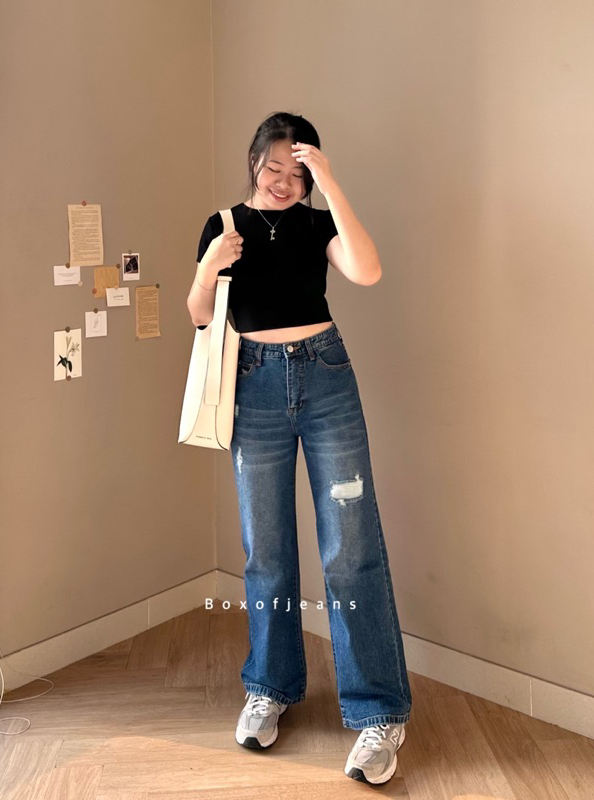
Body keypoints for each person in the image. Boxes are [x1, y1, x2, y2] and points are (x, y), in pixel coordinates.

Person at [187, 112, 412, 785]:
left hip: (325, 376)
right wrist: (210, 265)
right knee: (267, 550)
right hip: (252, 387)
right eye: (274, 167)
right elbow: (201, 315)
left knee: (351, 548)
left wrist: (331, 184)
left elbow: (367, 271)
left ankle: (379, 713)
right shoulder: (223, 225)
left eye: (298, 172)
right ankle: (270, 687)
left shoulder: (318, 224)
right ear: (254, 160)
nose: (284, 181)